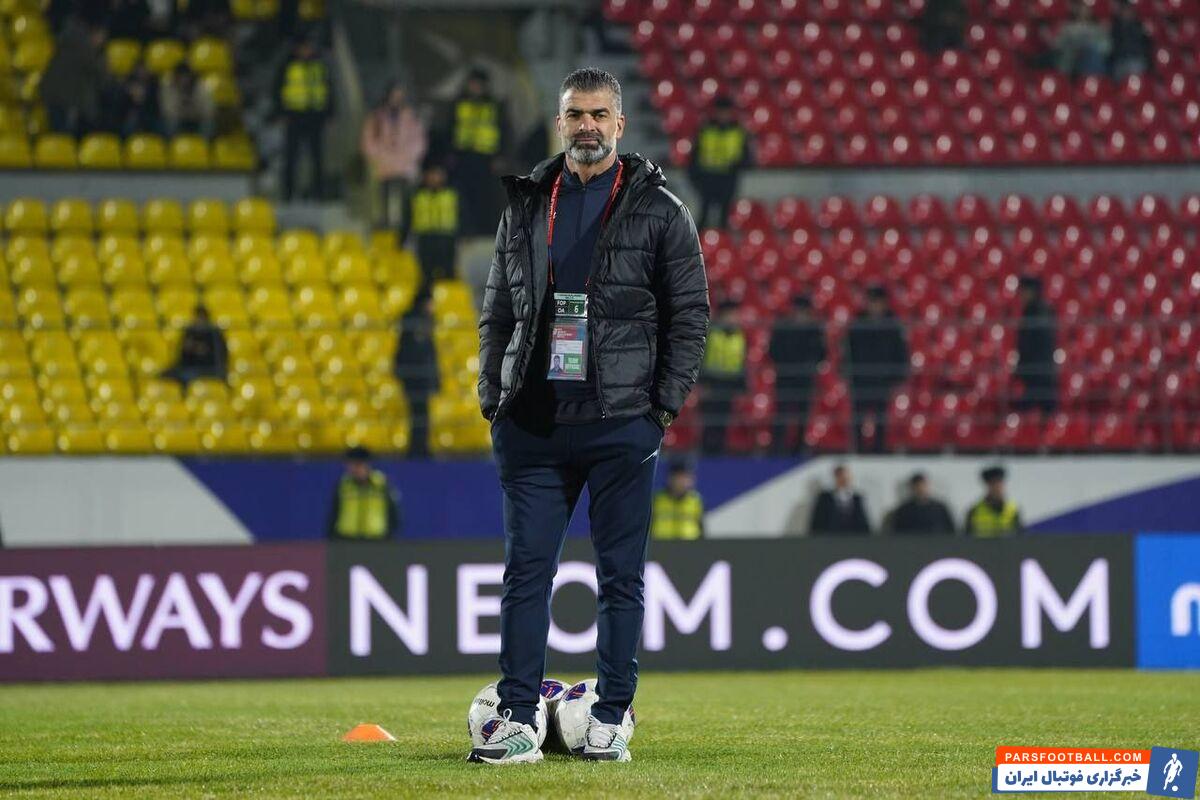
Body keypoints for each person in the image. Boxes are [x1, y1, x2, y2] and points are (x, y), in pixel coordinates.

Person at [474, 67, 708, 764]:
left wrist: (659, 409)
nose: (587, 126)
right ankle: (518, 717)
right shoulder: (525, 205)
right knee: (525, 575)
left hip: (620, 423)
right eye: (576, 114)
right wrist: (493, 398)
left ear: (620, 125)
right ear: (560, 122)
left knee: (621, 579)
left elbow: (691, 316)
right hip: (533, 425)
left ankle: (610, 718)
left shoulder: (662, 209)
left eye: (599, 114)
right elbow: (497, 311)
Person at [846, 285, 907, 453]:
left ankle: (879, 450)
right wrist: (849, 373)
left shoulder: (892, 324)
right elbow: (848, 351)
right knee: (859, 417)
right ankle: (858, 450)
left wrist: (898, 375)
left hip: (883, 379)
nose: (874, 306)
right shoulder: (857, 323)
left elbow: (900, 351)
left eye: (877, 302)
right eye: (872, 302)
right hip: (861, 378)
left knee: (881, 418)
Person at [446, 67, 508, 235]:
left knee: (486, 195)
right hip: (464, 156)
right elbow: (450, 130)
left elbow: (504, 131)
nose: (476, 87)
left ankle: (486, 229)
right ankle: (467, 229)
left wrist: (500, 156)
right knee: (465, 194)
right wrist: (451, 154)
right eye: (473, 84)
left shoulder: (494, 106)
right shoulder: (459, 104)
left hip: (486, 158)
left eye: (479, 84)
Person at [361, 81, 428, 231]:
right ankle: (383, 231)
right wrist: (379, 156)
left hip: (405, 167)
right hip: (383, 167)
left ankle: (404, 231)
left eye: (400, 96)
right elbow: (368, 140)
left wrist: (408, 156)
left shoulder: (411, 117)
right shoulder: (377, 117)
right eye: (394, 95)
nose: (396, 99)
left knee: (405, 202)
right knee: (382, 202)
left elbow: (419, 141)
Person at [275, 37, 333, 202]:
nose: (306, 51)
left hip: (315, 117)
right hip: (294, 116)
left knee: (317, 158)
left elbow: (328, 91)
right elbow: (277, 90)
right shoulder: (287, 66)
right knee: (291, 157)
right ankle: (288, 193)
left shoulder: (320, 66)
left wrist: (329, 114)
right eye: (303, 48)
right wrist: (280, 113)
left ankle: (319, 193)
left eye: (309, 48)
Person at [769, 294, 826, 454]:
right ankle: (778, 448)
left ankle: (799, 448)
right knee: (781, 415)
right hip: (786, 378)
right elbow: (773, 351)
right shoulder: (783, 328)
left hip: (804, 379)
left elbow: (822, 353)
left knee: (803, 415)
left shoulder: (814, 330)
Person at [689, 96, 749, 230]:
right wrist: (695, 177)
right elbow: (695, 155)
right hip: (707, 177)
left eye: (726, 112)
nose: (723, 115)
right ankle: (699, 240)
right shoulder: (705, 129)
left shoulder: (738, 131)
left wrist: (737, 166)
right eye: (721, 112)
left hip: (728, 178)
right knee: (704, 214)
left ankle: (722, 241)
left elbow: (746, 156)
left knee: (724, 217)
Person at [41, 15, 104, 136]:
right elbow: (99, 74)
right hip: (66, 99)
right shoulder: (85, 48)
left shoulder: (68, 40)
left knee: (60, 133)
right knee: (65, 135)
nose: (102, 41)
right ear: (95, 33)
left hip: (54, 95)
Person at [394, 294, 439, 458]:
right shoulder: (416, 322)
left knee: (420, 414)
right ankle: (417, 448)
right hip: (415, 375)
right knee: (418, 413)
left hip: (419, 375)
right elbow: (417, 351)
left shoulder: (420, 321)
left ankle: (419, 447)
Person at [700, 297, 746, 453]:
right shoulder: (711, 333)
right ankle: (706, 453)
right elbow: (702, 359)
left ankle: (719, 453)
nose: (734, 318)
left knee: (723, 424)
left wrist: (741, 387)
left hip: (729, 386)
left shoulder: (739, 334)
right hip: (712, 384)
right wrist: (703, 383)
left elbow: (742, 362)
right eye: (731, 314)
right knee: (709, 424)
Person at [327, 446, 401, 539]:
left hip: (376, 540)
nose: (354, 469)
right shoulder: (343, 485)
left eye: (357, 465)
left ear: (367, 465)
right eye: (350, 465)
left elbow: (393, 514)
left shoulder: (382, 484)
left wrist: (389, 536)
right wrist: (332, 536)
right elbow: (334, 513)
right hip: (346, 540)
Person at [404, 161, 460, 283]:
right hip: (425, 240)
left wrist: (464, 235)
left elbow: (462, 215)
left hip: (446, 240)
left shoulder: (452, 194)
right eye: (432, 174)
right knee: (425, 276)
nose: (434, 178)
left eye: (438, 174)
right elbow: (407, 218)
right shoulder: (417, 195)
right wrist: (402, 239)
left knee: (448, 274)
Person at [1014, 276, 1058, 415]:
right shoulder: (1033, 310)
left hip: (1039, 370)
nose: (1021, 295)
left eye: (1024, 291)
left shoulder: (1038, 311)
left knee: (1042, 409)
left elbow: (1035, 344)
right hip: (1036, 370)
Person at [161, 304, 227, 387]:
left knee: (186, 377)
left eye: (200, 317)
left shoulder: (214, 333)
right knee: (166, 374)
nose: (198, 320)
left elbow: (218, 358)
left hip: (208, 369)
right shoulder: (190, 332)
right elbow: (182, 355)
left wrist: (200, 350)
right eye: (196, 317)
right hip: (188, 367)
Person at [809, 464, 871, 535]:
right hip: (830, 537)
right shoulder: (825, 497)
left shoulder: (857, 498)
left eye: (847, 476)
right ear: (836, 477)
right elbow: (818, 521)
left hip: (853, 537)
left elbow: (863, 521)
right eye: (841, 476)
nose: (845, 479)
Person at [651, 460, 704, 540]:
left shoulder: (696, 500)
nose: (683, 481)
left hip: (690, 545)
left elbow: (701, 528)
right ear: (670, 478)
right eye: (679, 477)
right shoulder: (657, 499)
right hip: (659, 545)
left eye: (686, 477)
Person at [1055, 1, 1110, 78]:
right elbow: (1058, 44)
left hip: (1090, 61)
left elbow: (1107, 47)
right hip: (1071, 60)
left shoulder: (1098, 29)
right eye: (1083, 8)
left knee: (1092, 53)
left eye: (1088, 9)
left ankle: (1091, 80)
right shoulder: (1068, 27)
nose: (1085, 11)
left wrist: (1091, 46)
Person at [888, 472, 956, 534]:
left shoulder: (940, 508)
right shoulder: (903, 510)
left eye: (923, 485)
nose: (921, 489)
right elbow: (897, 533)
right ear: (912, 488)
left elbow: (951, 532)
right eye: (917, 486)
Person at [160, 63, 215, 138]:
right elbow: (168, 111)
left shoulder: (200, 86)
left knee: (209, 122)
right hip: (178, 119)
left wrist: (191, 109)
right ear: (175, 77)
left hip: (197, 118)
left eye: (186, 76)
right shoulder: (168, 86)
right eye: (180, 77)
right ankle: (173, 143)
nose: (184, 80)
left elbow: (208, 110)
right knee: (170, 122)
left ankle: (204, 143)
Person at [965, 465, 1022, 536]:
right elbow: (966, 538)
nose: (997, 487)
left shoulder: (1013, 511)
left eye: (999, 483)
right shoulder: (974, 511)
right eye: (993, 483)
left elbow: (1020, 537)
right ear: (987, 485)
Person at [1109, 0, 1152, 80]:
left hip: (1136, 59)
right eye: (1124, 10)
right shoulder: (1115, 26)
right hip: (1119, 60)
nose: (1126, 13)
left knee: (1135, 67)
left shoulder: (1139, 26)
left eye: (1129, 10)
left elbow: (1145, 45)